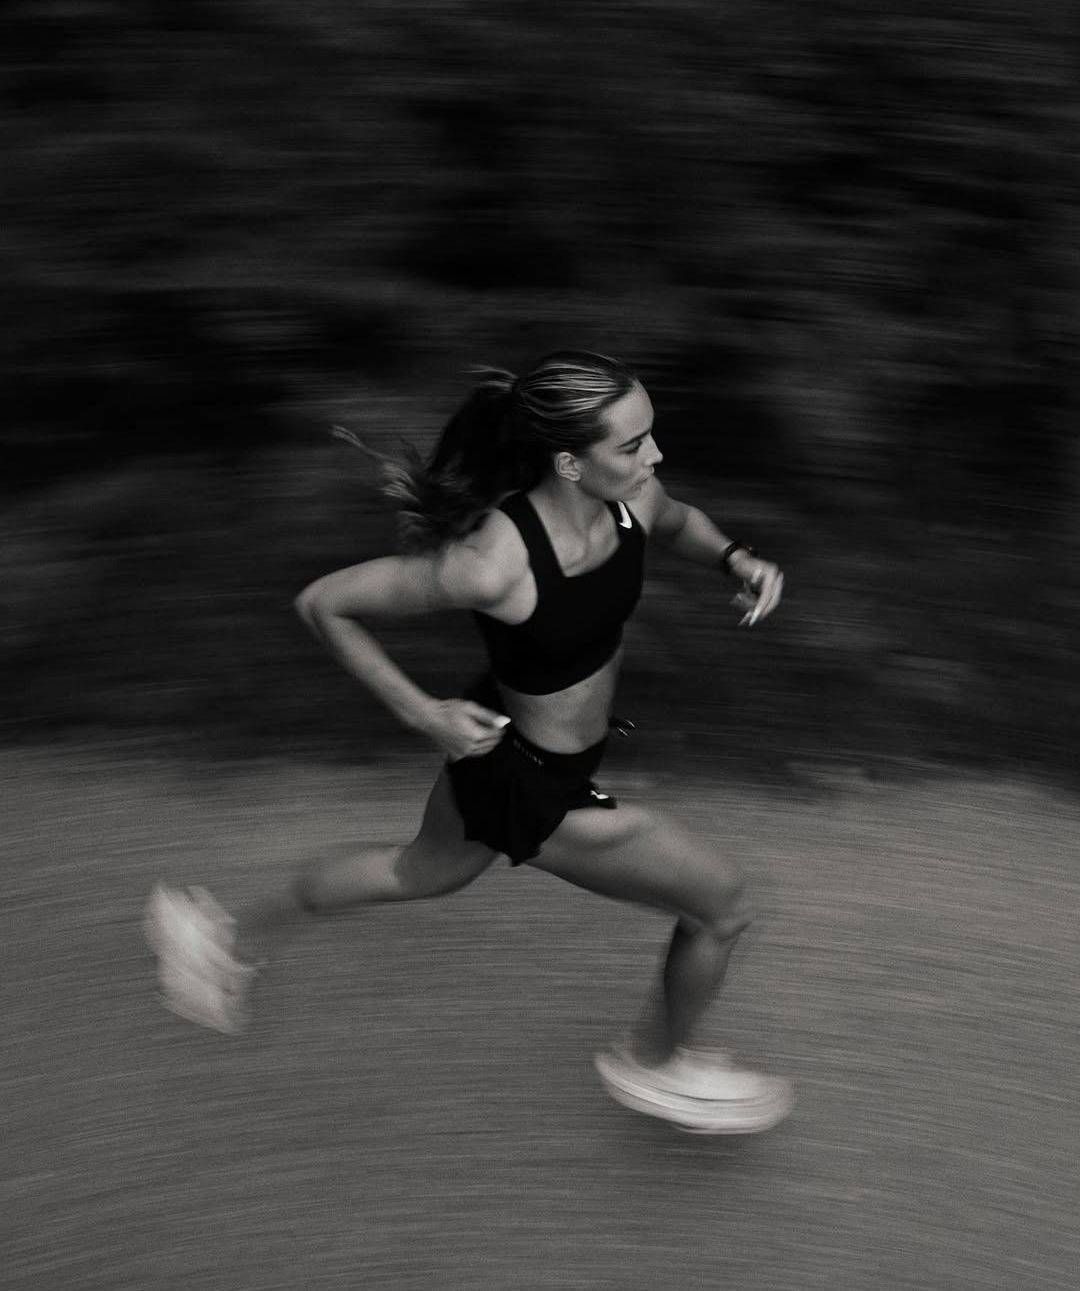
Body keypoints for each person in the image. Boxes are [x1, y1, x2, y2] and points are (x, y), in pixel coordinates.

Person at [145, 350, 792, 1134]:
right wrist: (422, 712)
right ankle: (652, 1065)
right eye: (632, 444)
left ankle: (216, 939)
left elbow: (678, 519)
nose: (654, 455)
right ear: (569, 462)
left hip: (502, 744)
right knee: (721, 904)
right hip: (532, 784)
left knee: (417, 870)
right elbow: (325, 603)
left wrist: (734, 558)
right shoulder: (494, 563)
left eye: (649, 435)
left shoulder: (630, 500)